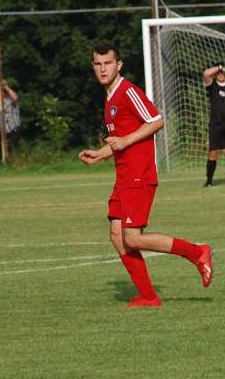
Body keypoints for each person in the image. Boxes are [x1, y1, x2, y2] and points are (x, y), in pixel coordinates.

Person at [79, 43, 213, 307]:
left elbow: (156, 120)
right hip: (124, 176)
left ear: (119, 65)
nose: (103, 68)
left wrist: (125, 141)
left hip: (139, 175)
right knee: (117, 236)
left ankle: (197, 252)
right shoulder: (109, 97)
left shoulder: (128, 91)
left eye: (108, 63)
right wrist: (102, 153)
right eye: (98, 64)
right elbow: (120, 141)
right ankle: (148, 296)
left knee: (133, 237)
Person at [0, 79, 21, 149]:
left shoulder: (10, 101)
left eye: (0, 91)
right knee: (3, 152)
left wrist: (6, 87)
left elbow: (15, 98)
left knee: (11, 150)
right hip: (1, 132)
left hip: (12, 131)